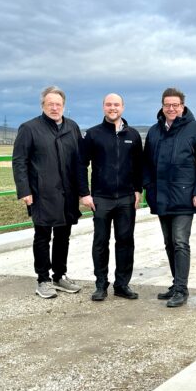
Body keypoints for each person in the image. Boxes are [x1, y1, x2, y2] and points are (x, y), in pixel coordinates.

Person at [11, 86, 89, 299]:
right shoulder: (29, 128)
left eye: (58, 104)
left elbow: (80, 162)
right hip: (41, 192)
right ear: (43, 106)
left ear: (64, 106)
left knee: (64, 236)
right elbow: (19, 161)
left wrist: (84, 191)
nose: (55, 108)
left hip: (67, 193)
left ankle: (59, 275)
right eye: (50, 104)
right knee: (43, 236)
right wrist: (24, 190)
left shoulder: (72, 127)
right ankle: (43, 279)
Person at [143, 87, 196, 308]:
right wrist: (148, 186)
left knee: (180, 242)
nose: (171, 108)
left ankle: (182, 290)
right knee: (168, 243)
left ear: (182, 106)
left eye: (175, 104)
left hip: (184, 196)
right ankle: (176, 284)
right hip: (161, 196)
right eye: (167, 105)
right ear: (162, 106)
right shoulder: (155, 131)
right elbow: (146, 163)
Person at [79, 93, 143, 302]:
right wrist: (85, 193)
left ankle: (122, 284)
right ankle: (100, 284)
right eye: (108, 104)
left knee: (125, 241)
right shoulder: (93, 134)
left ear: (123, 107)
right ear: (103, 107)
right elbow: (81, 165)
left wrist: (137, 189)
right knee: (100, 241)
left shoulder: (132, 135)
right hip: (101, 198)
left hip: (126, 197)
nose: (112, 108)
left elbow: (138, 166)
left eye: (116, 104)